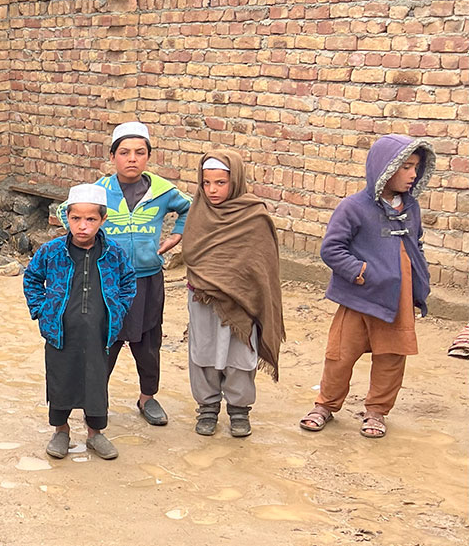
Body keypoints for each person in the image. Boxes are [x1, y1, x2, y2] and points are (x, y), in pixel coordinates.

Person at [300, 135, 434, 439]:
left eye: (416, 168)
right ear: (384, 169)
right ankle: (326, 405)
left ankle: (376, 411)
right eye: (406, 168)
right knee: (340, 354)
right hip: (358, 298)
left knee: (391, 357)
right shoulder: (354, 207)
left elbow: (417, 245)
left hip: (397, 299)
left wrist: (418, 282)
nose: (413, 174)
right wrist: (360, 272)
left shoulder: (410, 208)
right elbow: (332, 249)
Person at [78, 121, 191, 426]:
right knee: (104, 341)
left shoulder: (162, 191)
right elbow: (69, 212)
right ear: (112, 156)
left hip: (147, 279)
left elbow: (189, 209)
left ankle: (147, 398)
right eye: (124, 152)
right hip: (106, 282)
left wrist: (176, 237)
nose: (132, 158)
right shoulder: (98, 191)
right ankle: (95, 400)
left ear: (148, 156)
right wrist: (89, 242)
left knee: (148, 342)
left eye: (140, 152)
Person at [25, 183, 136, 461]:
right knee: (61, 379)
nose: (82, 226)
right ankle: (60, 431)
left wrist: (119, 310)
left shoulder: (114, 253)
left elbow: (128, 283)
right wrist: (42, 309)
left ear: (102, 220)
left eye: (90, 219)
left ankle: (95, 434)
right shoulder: (51, 251)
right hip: (60, 333)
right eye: (76, 218)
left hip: (99, 333)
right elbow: (32, 278)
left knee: (96, 382)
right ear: (67, 219)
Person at [180, 151, 286, 438]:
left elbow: (261, 263)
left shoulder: (254, 215)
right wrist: (214, 278)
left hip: (242, 301)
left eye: (221, 182)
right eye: (206, 183)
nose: (212, 190)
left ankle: (239, 410)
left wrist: (238, 285)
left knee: (240, 354)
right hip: (203, 297)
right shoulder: (199, 212)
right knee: (202, 351)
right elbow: (191, 251)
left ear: (235, 180)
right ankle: (208, 407)